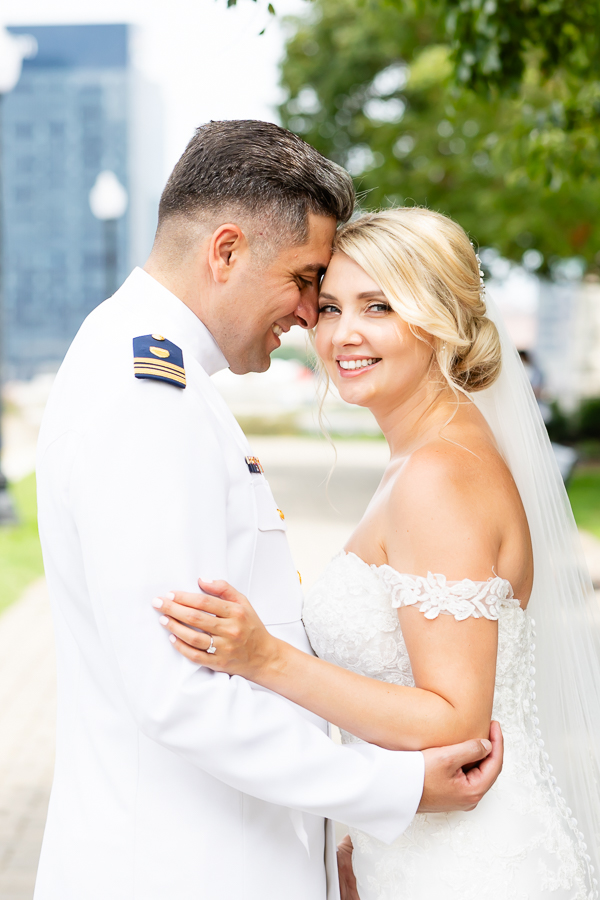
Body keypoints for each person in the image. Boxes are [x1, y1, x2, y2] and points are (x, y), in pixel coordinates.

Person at [35, 124, 503, 900]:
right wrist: (392, 791)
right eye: (308, 277)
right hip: (183, 869)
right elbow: (178, 693)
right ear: (225, 251)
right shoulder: (148, 395)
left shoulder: (164, 376)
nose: (312, 312)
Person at [158, 207, 600, 899]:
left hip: (470, 866)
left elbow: (457, 717)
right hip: (421, 849)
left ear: (441, 320)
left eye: (380, 306)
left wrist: (265, 658)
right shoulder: (428, 456)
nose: (344, 334)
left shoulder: (438, 478)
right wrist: (363, 840)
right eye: (329, 307)